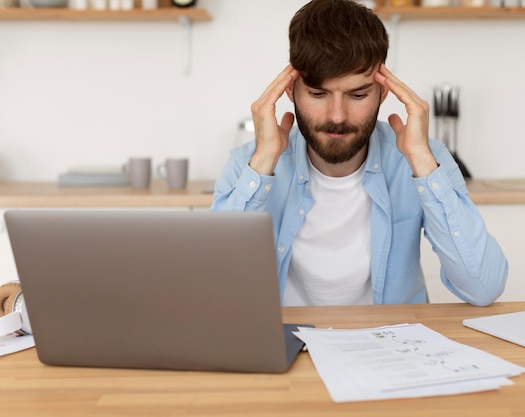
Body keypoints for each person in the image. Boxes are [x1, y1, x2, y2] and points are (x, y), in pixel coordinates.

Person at [211, 0, 508, 307]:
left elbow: (483, 288)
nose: (337, 116)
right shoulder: (248, 165)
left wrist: (421, 161)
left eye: (357, 94)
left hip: (392, 346)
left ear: (383, 91)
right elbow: (212, 290)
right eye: (317, 93)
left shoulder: (424, 160)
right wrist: (263, 162)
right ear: (290, 91)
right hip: (287, 348)